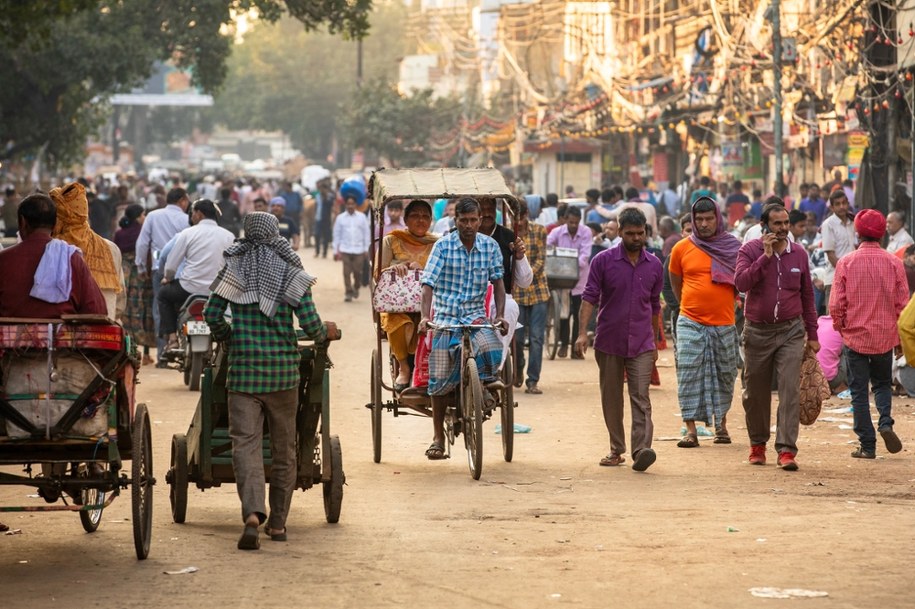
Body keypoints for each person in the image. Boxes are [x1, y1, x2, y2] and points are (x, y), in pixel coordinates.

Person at [204, 212, 339, 550]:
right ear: (275, 233)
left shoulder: (234, 269)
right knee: (284, 450)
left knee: (245, 449)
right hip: (283, 377)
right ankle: (277, 524)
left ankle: (252, 514)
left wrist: (230, 337)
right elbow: (311, 325)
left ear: (246, 234)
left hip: (244, 377)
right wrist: (326, 333)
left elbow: (211, 315)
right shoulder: (292, 273)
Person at [418, 197, 507, 461]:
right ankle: (437, 437)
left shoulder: (490, 246)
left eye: (473, 220)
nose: (468, 225)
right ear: (455, 221)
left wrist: (499, 315)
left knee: (493, 348)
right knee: (439, 376)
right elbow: (428, 285)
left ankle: (484, 389)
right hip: (446, 318)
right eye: (463, 220)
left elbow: (499, 283)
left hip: (476, 317)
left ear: (480, 220)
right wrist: (425, 316)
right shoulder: (443, 247)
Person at [575, 208, 662, 471]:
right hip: (609, 340)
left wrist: (656, 342)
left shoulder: (655, 265)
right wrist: (581, 333)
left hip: (643, 342)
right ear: (620, 232)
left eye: (640, 233)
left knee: (640, 396)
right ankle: (616, 449)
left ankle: (641, 449)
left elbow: (655, 306)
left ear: (646, 232)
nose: (636, 238)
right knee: (612, 396)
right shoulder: (603, 261)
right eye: (630, 234)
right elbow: (589, 297)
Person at [735, 202, 819, 470]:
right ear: (765, 226)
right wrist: (766, 257)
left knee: (789, 389)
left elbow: (807, 296)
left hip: (791, 331)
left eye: (785, 224)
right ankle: (757, 445)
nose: (782, 229)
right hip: (757, 331)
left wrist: (813, 333)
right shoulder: (749, 251)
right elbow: (741, 283)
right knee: (755, 393)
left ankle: (786, 450)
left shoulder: (799, 255)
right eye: (777, 224)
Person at [830, 209, 909, 459]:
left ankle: (867, 444)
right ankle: (885, 421)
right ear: (881, 232)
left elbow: (836, 305)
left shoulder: (846, 262)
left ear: (858, 232)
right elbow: (902, 304)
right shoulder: (894, 262)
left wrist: (841, 326)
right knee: (883, 384)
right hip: (884, 336)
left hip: (856, 337)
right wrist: (898, 338)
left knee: (859, 391)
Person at [668, 197, 741, 447]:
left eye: (709, 218)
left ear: (718, 218)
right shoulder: (681, 248)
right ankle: (691, 431)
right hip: (689, 320)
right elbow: (675, 282)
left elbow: (741, 282)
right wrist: (688, 305)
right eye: (699, 219)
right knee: (688, 372)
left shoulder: (733, 248)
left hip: (724, 322)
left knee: (725, 374)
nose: (704, 223)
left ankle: (721, 425)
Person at [0, 192, 107, 318]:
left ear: (22, 222)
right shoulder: (71, 258)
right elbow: (96, 310)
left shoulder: (4, 260)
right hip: (62, 337)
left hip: (8, 337)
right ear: (55, 224)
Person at [157, 198, 235, 350]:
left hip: (188, 288)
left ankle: (172, 338)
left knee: (163, 296)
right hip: (218, 291)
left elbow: (171, 265)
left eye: (192, 213)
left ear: (199, 214)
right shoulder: (229, 236)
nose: (191, 216)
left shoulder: (187, 233)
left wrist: (168, 278)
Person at [378, 200, 439, 391]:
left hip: (428, 302)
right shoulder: (391, 240)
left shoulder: (437, 243)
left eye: (425, 216)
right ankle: (404, 367)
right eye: (415, 216)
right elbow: (377, 274)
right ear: (405, 219)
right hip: (396, 304)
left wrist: (424, 270)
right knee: (398, 321)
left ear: (430, 220)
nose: (420, 220)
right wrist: (394, 268)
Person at [50, 182, 125, 320]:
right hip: (104, 330)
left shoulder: (49, 249)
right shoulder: (111, 248)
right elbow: (120, 304)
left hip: (59, 334)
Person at [136, 187, 191, 367]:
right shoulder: (187, 219)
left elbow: (143, 243)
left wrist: (141, 266)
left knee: (159, 309)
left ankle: (162, 354)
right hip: (183, 271)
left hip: (159, 269)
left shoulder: (152, 216)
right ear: (182, 200)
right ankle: (186, 350)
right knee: (185, 308)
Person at [478, 197, 531, 367]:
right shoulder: (459, 235)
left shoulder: (509, 237)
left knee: (510, 308)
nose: (486, 213)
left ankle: (494, 368)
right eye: (482, 209)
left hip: (498, 299)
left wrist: (520, 257)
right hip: (464, 297)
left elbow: (525, 282)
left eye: (490, 208)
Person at [513, 199, 549, 394]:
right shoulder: (509, 233)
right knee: (516, 339)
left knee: (536, 338)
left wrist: (524, 275)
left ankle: (532, 380)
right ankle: (518, 367)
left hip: (538, 291)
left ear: (525, 214)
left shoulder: (539, 231)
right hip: (517, 294)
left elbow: (540, 260)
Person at [547, 206, 592, 359]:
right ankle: (564, 344)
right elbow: (547, 246)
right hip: (561, 278)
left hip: (580, 279)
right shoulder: (556, 232)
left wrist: (572, 265)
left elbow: (585, 255)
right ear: (565, 220)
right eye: (571, 222)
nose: (573, 225)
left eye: (576, 222)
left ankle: (576, 347)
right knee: (564, 314)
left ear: (579, 221)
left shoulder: (586, 232)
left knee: (579, 314)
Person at [115, 204, 156, 365]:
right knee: (144, 310)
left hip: (124, 275)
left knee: (127, 311)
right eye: (143, 214)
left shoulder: (119, 233)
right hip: (141, 275)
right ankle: (146, 354)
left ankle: (131, 349)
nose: (145, 217)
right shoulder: (143, 231)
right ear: (138, 217)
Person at [820, 189, 856, 304]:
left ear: (848, 204)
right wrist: (845, 274)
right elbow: (831, 255)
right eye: (837, 204)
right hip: (834, 279)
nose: (841, 207)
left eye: (844, 203)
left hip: (852, 278)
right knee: (832, 319)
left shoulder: (853, 222)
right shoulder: (828, 225)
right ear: (832, 207)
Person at [332, 195, 371, 302]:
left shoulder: (362, 217)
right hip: (345, 250)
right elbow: (337, 235)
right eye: (348, 204)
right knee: (346, 272)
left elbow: (366, 234)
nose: (350, 206)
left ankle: (356, 287)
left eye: (352, 203)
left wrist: (366, 249)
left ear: (355, 205)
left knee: (357, 272)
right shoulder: (340, 218)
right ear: (345, 205)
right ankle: (348, 292)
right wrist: (336, 250)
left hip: (359, 250)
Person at [816, 315, 848, 393]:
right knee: (851, 351)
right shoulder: (843, 326)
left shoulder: (820, 320)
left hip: (815, 379)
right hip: (832, 381)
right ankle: (844, 385)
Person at [313, 178, 336, 258]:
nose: (322, 190)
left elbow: (331, 205)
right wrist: (315, 216)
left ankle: (324, 253)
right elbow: (316, 206)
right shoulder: (317, 196)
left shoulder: (330, 197)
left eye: (323, 189)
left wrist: (326, 197)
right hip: (318, 218)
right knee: (317, 235)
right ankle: (317, 251)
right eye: (321, 189)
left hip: (326, 219)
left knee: (325, 236)